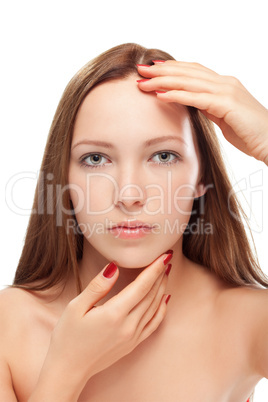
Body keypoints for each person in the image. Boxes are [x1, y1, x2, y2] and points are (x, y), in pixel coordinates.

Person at [0, 43, 267, 402]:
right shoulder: (8, 324)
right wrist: (66, 369)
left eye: (163, 155)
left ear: (202, 173)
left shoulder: (247, 320)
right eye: (96, 158)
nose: (128, 195)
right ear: (62, 177)